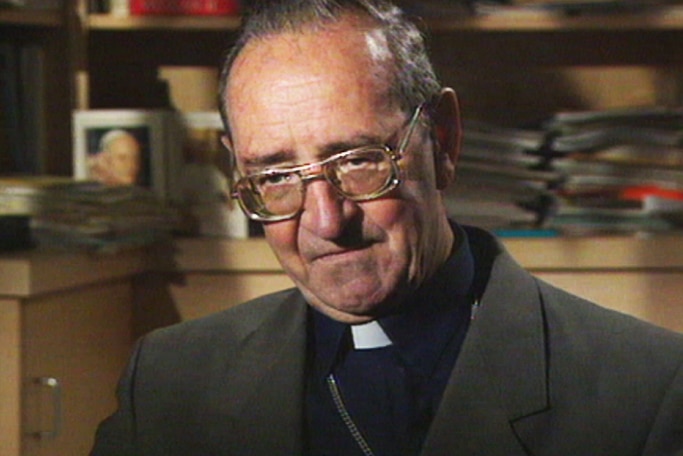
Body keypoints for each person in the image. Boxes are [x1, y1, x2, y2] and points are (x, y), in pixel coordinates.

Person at [91, 1, 683, 455]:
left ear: (443, 141)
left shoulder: (647, 391)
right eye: (275, 176)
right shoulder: (169, 384)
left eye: (357, 161)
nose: (325, 222)